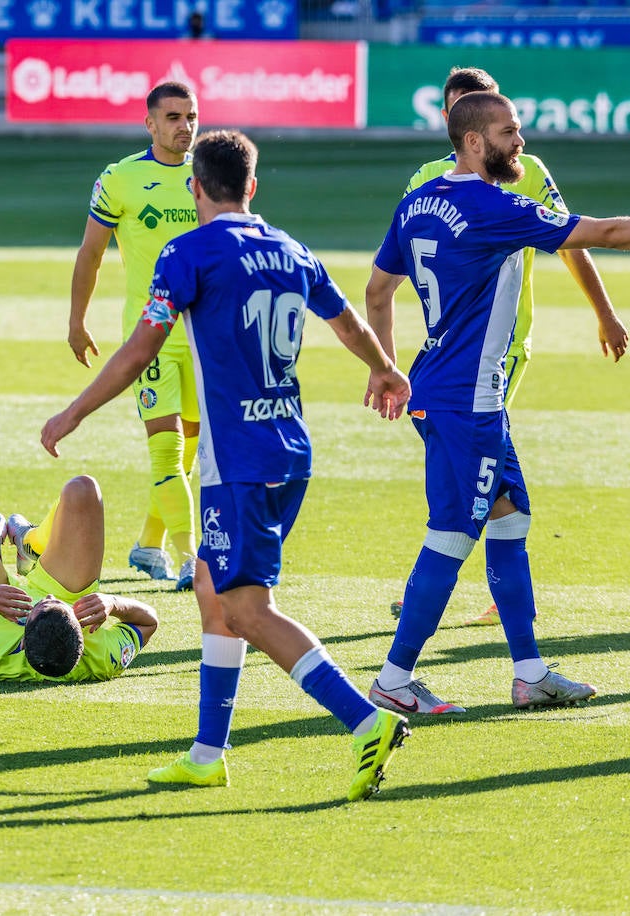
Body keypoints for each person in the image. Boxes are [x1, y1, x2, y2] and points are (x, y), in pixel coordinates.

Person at [43, 130, 414, 801]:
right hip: (289, 447)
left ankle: (365, 721)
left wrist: (72, 414)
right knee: (213, 596)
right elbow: (347, 321)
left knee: (245, 608)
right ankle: (208, 753)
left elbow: (137, 352)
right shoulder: (291, 249)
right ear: (252, 185)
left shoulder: (187, 253)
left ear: (195, 188)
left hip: (237, 463)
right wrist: (385, 369)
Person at [363, 91, 630, 716]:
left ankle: (530, 673)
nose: (520, 141)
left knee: (510, 516)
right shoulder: (493, 207)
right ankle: (393, 679)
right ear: (472, 142)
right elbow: (608, 232)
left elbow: (379, 290)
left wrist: (386, 367)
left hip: (447, 388)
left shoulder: (417, 203)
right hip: (468, 403)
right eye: (508, 132)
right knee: (454, 535)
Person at [395, 66, 629, 627]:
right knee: (471, 507)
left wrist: (603, 310)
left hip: (495, 348)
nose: (516, 140)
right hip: (468, 363)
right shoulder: (447, 185)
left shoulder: (510, 174)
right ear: (461, 129)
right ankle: (407, 654)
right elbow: (599, 232)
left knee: (500, 500)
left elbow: (571, 242)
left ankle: (519, 651)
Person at [68, 81, 202, 592]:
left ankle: (149, 543)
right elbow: (91, 253)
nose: (183, 126)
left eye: (190, 116)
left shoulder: (208, 173)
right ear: (150, 124)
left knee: (190, 453)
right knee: (166, 453)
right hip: (150, 338)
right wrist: (77, 320)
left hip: (203, 338)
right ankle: (191, 557)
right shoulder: (121, 178)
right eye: (172, 117)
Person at [0, 476, 158, 681]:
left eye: (42, 604)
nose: (49, 596)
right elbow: (149, 622)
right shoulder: (103, 657)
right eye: (59, 606)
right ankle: (30, 542)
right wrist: (113, 603)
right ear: (81, 635)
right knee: (83, 489)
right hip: (68, 590)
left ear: (22, 638)